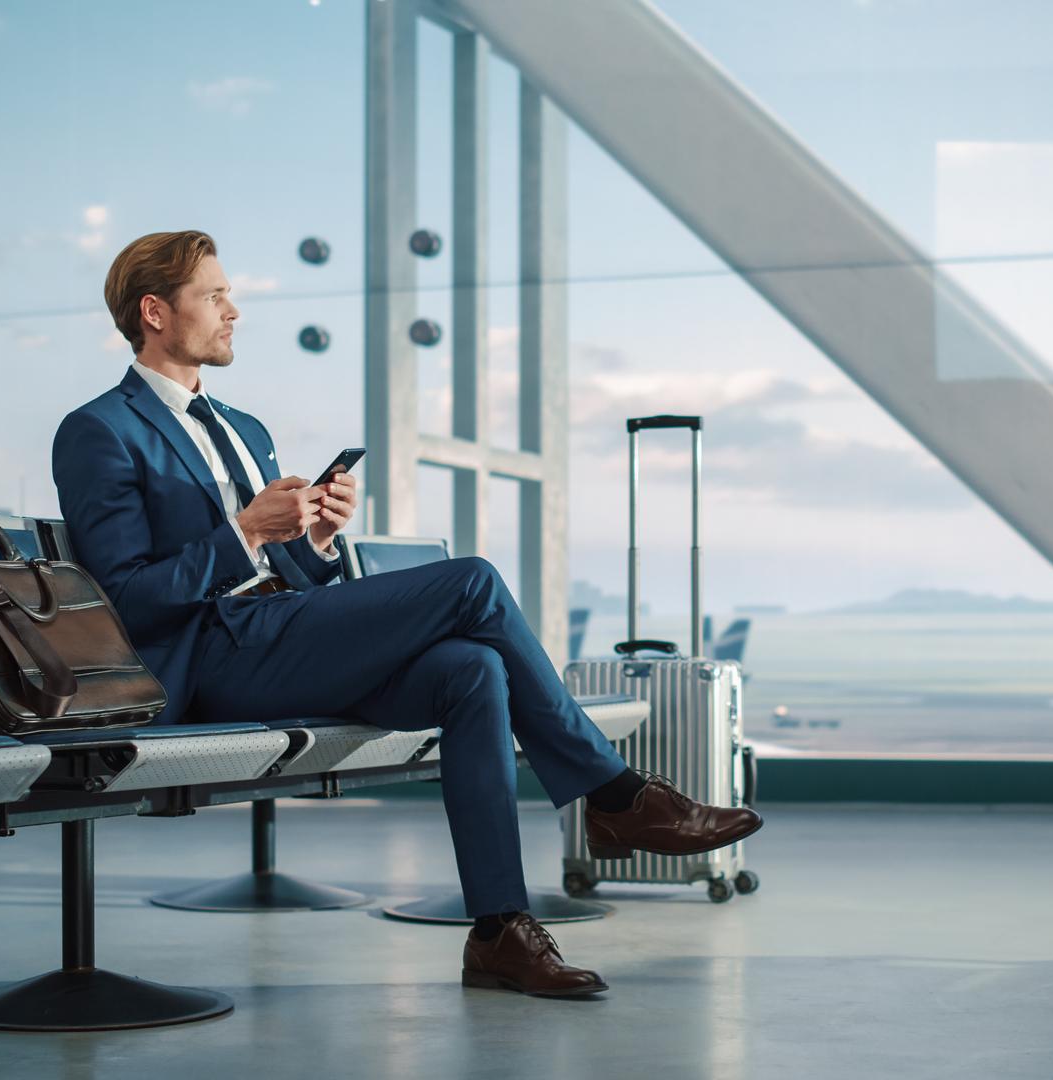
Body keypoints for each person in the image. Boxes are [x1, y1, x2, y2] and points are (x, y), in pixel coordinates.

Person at [53, 230, 761, 997]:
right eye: (214, 294)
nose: (235, 310)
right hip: (211, 660)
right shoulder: (100, 430)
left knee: (473, 670)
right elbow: (124, 598)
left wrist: (315, 535)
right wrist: (247, 529)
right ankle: (616, 796)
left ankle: (499, 931)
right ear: (154, 312)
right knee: (473, 583)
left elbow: (287, 572)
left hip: (280, 637)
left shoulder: (241, 428)